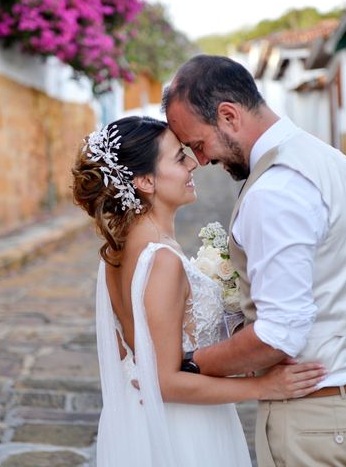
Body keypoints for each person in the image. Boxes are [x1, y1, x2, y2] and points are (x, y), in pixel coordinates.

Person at [163, 55, 346, 467]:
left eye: (199, 144)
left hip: (320, 421)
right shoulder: (331, 161)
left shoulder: (273, 192)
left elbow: (280, 334)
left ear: (228, 115)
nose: (201, 161)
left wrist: (190, 365)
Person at [71, 116, 326, 467]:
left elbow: (135, 360)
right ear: (145, 181)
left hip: (141, 421)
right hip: (182, 429)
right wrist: (265, 387)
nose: (194, 163)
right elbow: (165, 381)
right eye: (179, 158)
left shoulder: (118, 251)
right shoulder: (161, 260)